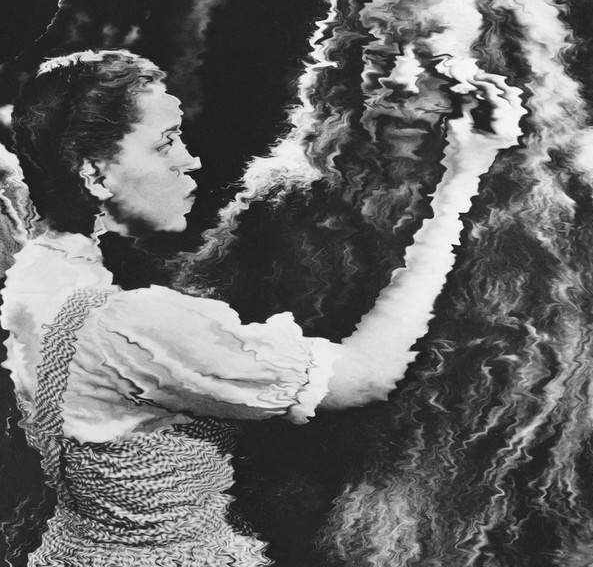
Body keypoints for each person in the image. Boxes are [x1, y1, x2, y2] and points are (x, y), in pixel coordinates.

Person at [1, 47, 521, 566]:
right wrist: (459, 183)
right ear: (94, 173)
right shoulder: (132, 327)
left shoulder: (34, 274)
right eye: (165, 143)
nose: (190, 160)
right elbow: (364, 377)